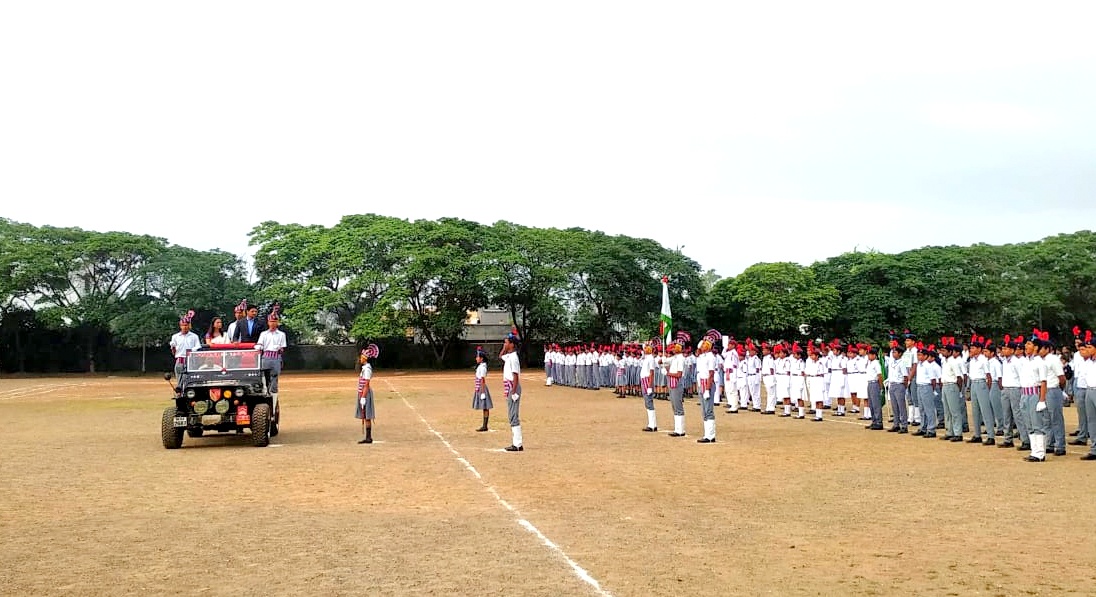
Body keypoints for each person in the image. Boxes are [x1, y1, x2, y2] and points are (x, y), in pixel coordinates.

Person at [254, 305, 288, 431]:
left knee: (274, 381)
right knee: (263, 379)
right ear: (268, 322)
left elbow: (282, 348)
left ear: (277, 322)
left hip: (275, 357)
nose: (273, 323)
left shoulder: (281, 334)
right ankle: (264, 393)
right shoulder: (263, 334)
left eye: (275, 321)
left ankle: (273, 400)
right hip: (266, 356)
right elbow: (260, 346)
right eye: (271, 321)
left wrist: (279, 352)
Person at [501, 331, 524, 452]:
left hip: (513, 387)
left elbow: (516, 376)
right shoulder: (509, 356)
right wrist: (504, 348)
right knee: (511, 414)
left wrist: (514, 392)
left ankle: (517, 444)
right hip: (510, 386)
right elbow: (501, 356)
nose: (504, 344)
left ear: (512, 344)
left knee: (513, 415)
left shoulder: (514, 358)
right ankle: (517, 443)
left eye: (506, 342)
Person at [169, 310, 203, 380]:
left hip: (191, 360)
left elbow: (198, 346)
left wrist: (191, 350)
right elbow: (174, 351)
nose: (185, 327)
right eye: (183, 325)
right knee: (179, 378)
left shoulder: (194, 336)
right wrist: (173, 347)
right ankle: (180, 389)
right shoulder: (175, 336)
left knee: (191, 378)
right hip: (180, 358)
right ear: (180, 326)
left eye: (186, 325)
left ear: (189, 325)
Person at [356, 344, 379, 444]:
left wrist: (363, 397)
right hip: (362, 393)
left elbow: (366, 384)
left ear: (365, 358)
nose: (360, 359)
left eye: (361, 357)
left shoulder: (367, 369)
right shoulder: (364, 368)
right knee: (365, 416)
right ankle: (367, 437)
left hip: (365, 394)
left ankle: (368, 437)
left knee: (367, 415)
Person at [472, 346, 494, 432]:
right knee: (484, 407)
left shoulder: (482, 367)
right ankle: (484, 425)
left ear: (481, 358)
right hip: (480, 387)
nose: (476, 358)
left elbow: (482, 380)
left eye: (477, 357)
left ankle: (485, 425)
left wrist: (482, 392)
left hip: (482, 388)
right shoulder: (480, 366)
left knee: (485, 406)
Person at [864, 346, 884, 430]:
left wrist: (880, 387)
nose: (869, 356)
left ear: (874, 355)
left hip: (874, 383)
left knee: (876, 404)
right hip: (869, 383)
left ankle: (879, 422)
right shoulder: (870, 363)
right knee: (871, 404)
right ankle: (874, 421)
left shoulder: (876, 363)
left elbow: (880, 375)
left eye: (870, 354)